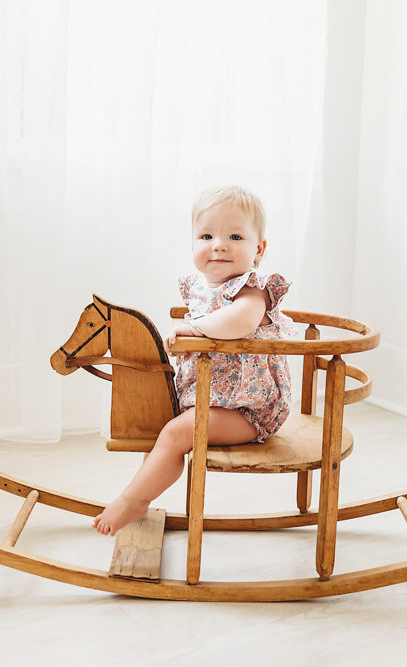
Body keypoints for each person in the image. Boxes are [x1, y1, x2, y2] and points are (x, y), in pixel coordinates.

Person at [92, 185, 296, 536]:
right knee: (162, 426)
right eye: (206, 235)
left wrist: (193, 327)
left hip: (248, 411)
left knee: (175, 432)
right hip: (207, 399)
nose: (219, 244)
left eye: (234, 235)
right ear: (192, 245)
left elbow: (241, 321)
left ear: (259, 249)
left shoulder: (252, 290)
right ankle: (144, 491)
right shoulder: (201, 289)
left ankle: (133, 501)